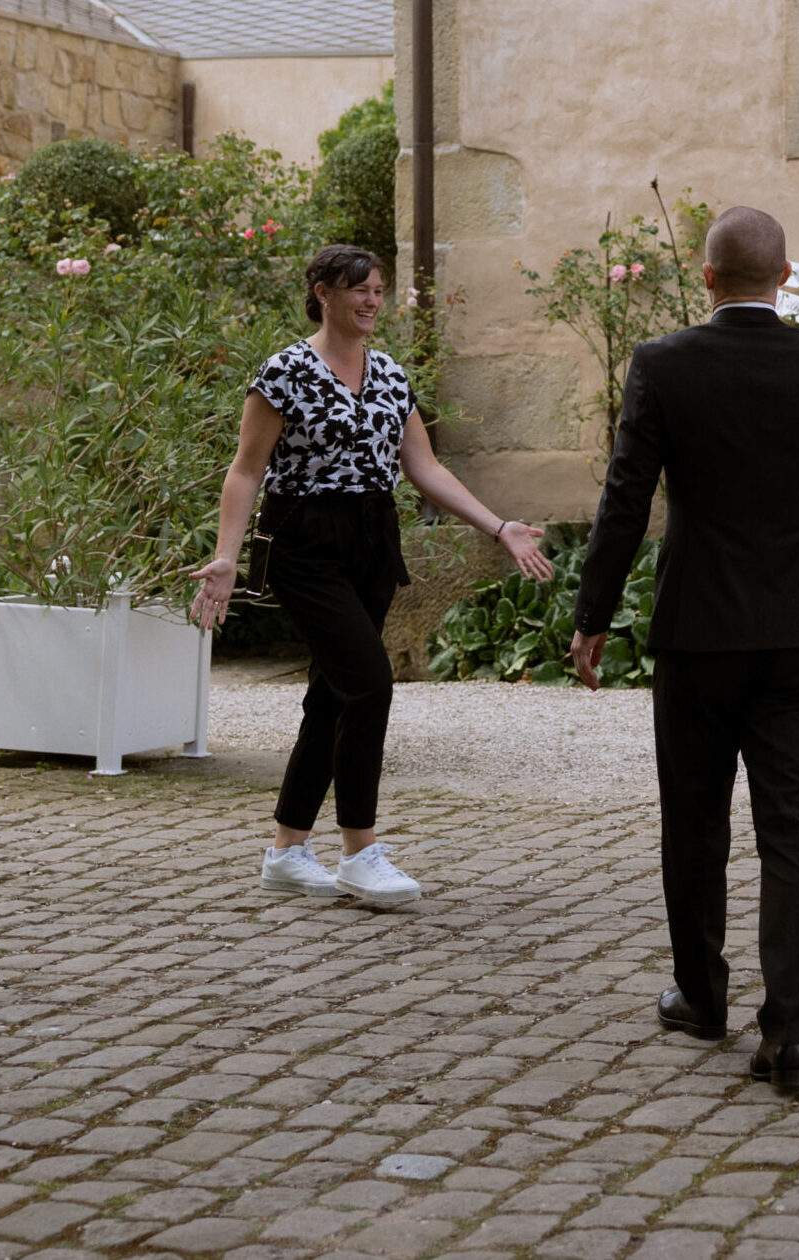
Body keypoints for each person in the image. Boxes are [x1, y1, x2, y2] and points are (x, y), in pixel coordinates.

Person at [570, 207, 799, 1088]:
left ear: (705, 278)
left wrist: (592, 613)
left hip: (698, 628)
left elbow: (625, 501)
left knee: (695, 817)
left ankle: (701, 997)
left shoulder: (664, 365)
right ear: (785, 277)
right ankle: (788, 1030)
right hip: (797, 632)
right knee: (793, 825)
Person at [191, 244, 552, 907]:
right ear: (323, 292)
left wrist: (498, 525)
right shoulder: (284, 372)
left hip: (371, 540)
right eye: (358, 289)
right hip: (304, 540)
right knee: (370, 686)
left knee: (332, 696)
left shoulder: (388, 374)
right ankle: (360, 851)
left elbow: (425, 468)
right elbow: (245, 469)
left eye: (379, 290)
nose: (370, 300)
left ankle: (286, 850)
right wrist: (226, 555)